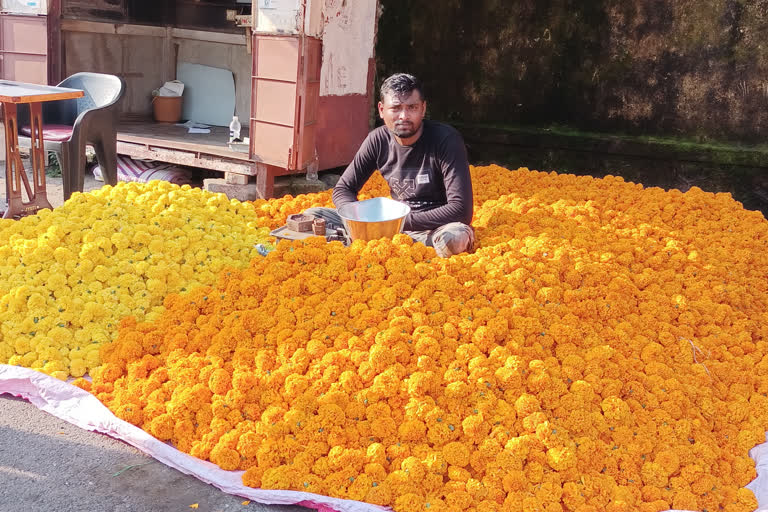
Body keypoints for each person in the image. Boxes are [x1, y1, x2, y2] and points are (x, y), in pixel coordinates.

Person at [306, 73, 475, 257]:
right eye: (395, 108)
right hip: (386, 227)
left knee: (454, 238)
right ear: (381, 109)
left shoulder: (446, 140)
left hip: (433, 228)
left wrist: (397, 222)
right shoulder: (377, 140)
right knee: (313, 216)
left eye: (412, 107)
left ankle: (384, 248)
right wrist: (359, 220)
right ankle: (380, 245)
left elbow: (461, 209)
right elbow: (343, 188)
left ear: (423, 109)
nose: (404, 116)